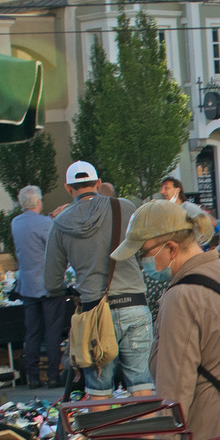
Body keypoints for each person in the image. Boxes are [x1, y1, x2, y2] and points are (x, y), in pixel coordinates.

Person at [111, 200, 220, 440]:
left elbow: (175, 389)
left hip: (203, 432)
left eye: (143, 253)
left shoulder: (181, 296)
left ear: (171, 248)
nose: (142, 263)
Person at [44, 160, 154, 393]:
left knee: (98, 390)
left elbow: (51, 281)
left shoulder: (60, 223)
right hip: (134, 305)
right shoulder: (124, 207)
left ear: (68, 187)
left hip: (94, 313)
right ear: (98, 183)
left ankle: (101, 430)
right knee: (141, 383)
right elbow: (147, 246)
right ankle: (150, 431)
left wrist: (63, 290)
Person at [10, 186, 68, 388]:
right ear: (38, 202)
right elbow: (55, 247)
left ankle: (33, 377)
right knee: (52, 332)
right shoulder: (47, 223)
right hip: (49, 284)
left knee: (32, 332)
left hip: (27, 286)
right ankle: (53, 375)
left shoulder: (15, 223)